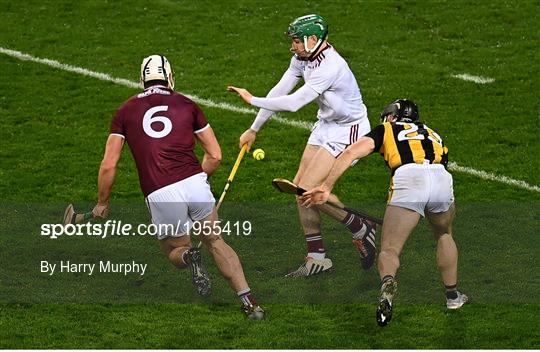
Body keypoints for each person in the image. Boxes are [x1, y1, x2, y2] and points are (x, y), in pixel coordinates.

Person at [91, 54, 264, 320]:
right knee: (216, 241)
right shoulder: (187, 104)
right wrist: (198, 179)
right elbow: (215, 156)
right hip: (194, 183)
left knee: (174, 248)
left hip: (160, 191)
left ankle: (189, 257)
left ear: (141, 80)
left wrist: (103, 202)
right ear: (171, 78)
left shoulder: (124, 111)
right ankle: (250, 304)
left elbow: (108, 165)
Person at [228, 14, 377, 277]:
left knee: (307, 190)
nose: (293, 46)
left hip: (349, 129)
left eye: (297, 40)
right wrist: (254, 128)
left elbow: (295, 102)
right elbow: (280, 91)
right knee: (300, 190)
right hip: (326, 124)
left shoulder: (330, 66)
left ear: (312, 40)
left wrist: (252, 100)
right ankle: (318, 257)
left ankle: (360, 227)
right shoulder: (302, 58)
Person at [301, 99, 468, 326]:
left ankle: (388, 283)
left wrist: (327, 187)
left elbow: (351, 152)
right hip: (441, 178)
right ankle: (453, 297)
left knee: (390, 249)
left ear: (392, 115)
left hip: (409, 178)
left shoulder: (386, 128)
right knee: (444, 234)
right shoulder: (432, 133)